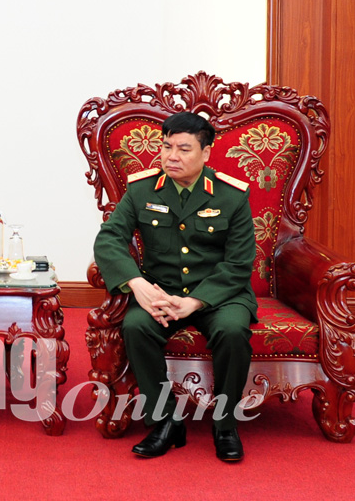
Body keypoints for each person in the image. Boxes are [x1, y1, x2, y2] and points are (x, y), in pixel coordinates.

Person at [93, 111, 257, 462]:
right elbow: (108, 239)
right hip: (163, 291)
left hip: (220, 295)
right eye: (166, 147)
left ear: (206, 152)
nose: (171, 156)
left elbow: (239, 264)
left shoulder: (231, 196)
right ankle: (166, 421)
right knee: (136, 326)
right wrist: (136, 283)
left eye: (184, 149)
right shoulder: (142, 190)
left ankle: (225, 425)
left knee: (232, 331)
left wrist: (196, 301)